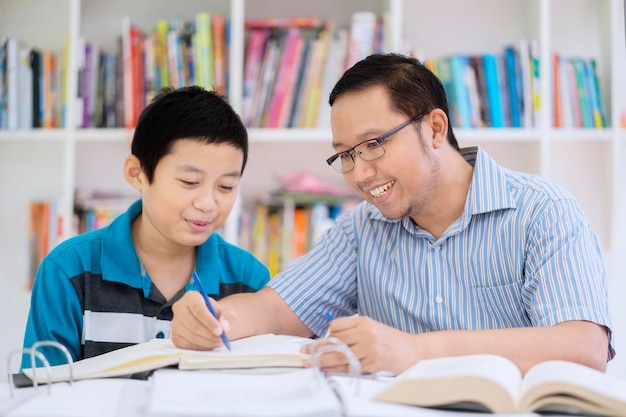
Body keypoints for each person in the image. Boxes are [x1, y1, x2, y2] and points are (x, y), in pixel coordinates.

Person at [171, 54, 614, 375]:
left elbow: (583, 346)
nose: (360, 173)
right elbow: (273, 308)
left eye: (374, 144)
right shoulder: (361, 229)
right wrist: (214, 319)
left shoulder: (542, 210)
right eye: (345, 155)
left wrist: (415, 351)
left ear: (435, 128)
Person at [22, 86, 270, 367]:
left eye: (226, 186)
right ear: (137, 174)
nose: (207, 203)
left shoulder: (249, 280)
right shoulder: (68, 271)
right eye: (190, 182)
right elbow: (42, 392)